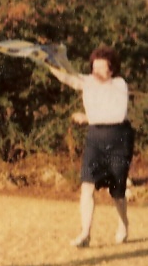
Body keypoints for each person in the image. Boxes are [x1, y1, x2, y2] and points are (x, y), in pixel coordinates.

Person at [48, 46, 135, 248]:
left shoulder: (120, 84)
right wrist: (49, 60)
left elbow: (117, 115)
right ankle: (85, 234)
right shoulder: (88, 81)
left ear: (111, 70)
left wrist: (87, 118)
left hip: (118, 139)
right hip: (95, 139)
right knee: (87, 186)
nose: (95, 72)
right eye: (93, 68)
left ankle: (124, 224)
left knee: (117, 193)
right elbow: (67, 77)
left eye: (101, 68)